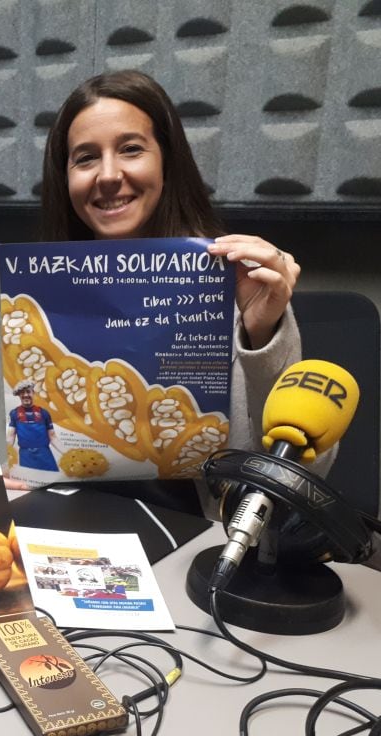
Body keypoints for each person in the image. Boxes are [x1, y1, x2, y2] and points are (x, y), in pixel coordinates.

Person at [40, 69, 304, 462]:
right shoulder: (40, 293)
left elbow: (301, 471)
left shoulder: (238, 280)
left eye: (131, 149)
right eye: (86, 158)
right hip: (76, 513)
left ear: (167, 162)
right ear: (65, 178)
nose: (109, 175)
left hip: (201, 520)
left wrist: (262, 333)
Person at [6, 381, 62, 471]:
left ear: (33, 393)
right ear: (19, 395)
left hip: (45, 455)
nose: (25, 395)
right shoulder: (14, 413)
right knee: (29, 483)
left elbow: (53, 436)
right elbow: (11, 436)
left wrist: (68, 453)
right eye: (22, 393)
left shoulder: (44, 413)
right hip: (25, 456)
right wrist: (6, 452)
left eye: (28, 391)